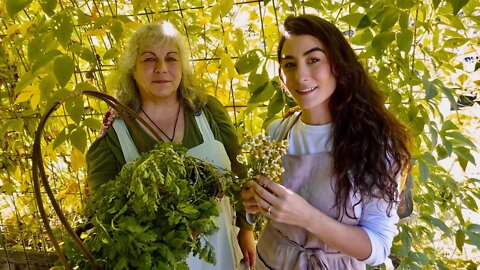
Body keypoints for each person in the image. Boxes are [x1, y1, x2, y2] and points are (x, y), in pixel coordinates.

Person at [241, 14, 412, 269]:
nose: (301, 76)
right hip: (271, 260)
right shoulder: (277, 132)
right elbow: (258, 204)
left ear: (338, 65)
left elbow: (378, 247)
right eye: (289, 64)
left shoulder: (375, 144)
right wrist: (253, 201)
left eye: (313, 60)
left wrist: (307, 217)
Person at [86, 21, 256, 269]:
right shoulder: (117, 134)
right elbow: (103, 214)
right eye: (149, 59)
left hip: (221, 253)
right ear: (132, 68)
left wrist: (246, 230)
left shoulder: (207, 112)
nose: (161, 68)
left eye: (171, 58)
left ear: (183, 67)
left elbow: (239, 172)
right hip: (158, 262)